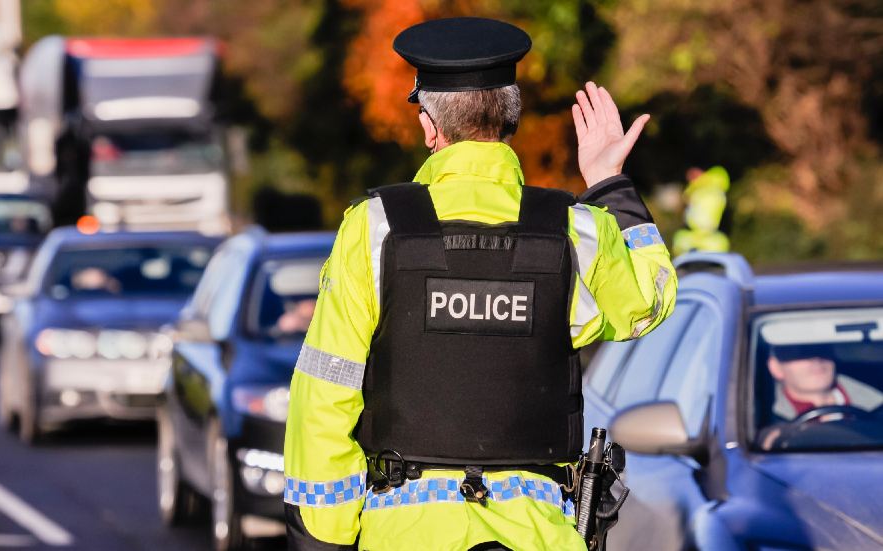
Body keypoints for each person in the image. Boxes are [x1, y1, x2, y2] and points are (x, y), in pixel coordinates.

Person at [283, 17, 678, 551]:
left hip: (404, 535)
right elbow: (648, 303)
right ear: (511, 116)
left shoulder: (375, 228)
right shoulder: (575, 229)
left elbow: (326, 390)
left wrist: (325, 531)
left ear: (429, 126)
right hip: (539, 534)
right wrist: (610, 186)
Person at [760, 343, 883, 449]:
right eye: (799, 351)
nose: (816, 358)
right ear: (776, 368)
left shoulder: (877, 409)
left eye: (820, 348)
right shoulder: (761, 423)